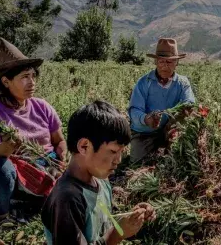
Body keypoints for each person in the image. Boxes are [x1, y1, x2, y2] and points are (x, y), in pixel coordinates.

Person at [0, 38, 67, 221]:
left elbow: (59, 140)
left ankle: (29, 202)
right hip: (9, 171)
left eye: (33, 76)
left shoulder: (42, 106)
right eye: (25, 77)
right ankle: (3, 215)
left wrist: (62, 157)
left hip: (45, 168)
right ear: (6, 82)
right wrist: (9, 145)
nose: (32, 82)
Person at [42, 100, 156, 245]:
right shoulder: (68, 199)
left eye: (122, 152)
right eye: (113, 151)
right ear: (84, 146)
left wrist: (132, 219)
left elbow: (104, 222)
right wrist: (116, 234)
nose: (118, 160)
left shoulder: (101, 181)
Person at [127, 38, 195, 163]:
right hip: (144, 133)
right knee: (137, 163)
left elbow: (189, 103)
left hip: (170, 130)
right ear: (155, 62)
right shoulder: (144, 83)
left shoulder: (182, 83)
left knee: (178, 161)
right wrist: (146, 119)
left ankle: (170, 151)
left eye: (169, 62)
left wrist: (177, 119)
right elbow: (134, 110)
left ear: (177, 63)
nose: (165, 66)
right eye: (161, 61)